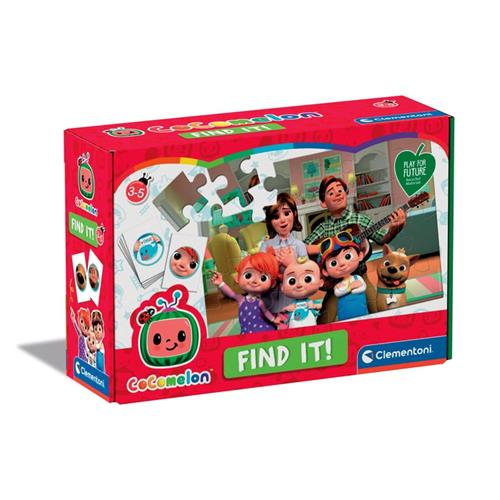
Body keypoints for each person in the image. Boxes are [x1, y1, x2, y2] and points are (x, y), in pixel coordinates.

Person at [304, 175, 406, 322]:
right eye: (331, 192)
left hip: (360, 276)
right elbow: (304, 247)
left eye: (340, 190)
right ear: (323, 203)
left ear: (346, 194)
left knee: (377, 310)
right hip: (335, 282)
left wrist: (394, 230)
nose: (337, 194)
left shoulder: (359, 220)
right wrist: (324, 248)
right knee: (324, 319)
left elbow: (382, 238)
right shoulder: (323, 228)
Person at [210, 249, 283, 334]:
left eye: (263, 278)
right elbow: (231, 293)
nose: (254, 281)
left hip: (260, 329)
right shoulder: (241, 299)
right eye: (248, 275)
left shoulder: (261, 302)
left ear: (272, 283)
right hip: (246, 330)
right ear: (237, 278)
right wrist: (220, 283)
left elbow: (266, 312)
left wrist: (274, 319)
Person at [261, 192, 308, 313]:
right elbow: (260, 275)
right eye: (276, 217)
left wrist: (292, 264)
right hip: (271, 303)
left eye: (287, 213)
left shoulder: (299, 246)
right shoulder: (266, 246)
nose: (282, 220)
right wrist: (271, 266)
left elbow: (308, 276)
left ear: (294, 214)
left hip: (295, 301)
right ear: (270, 221)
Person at [319, 234, 368, 321]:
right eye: (333, 263)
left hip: (361, 313)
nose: (342, 263)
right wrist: (350, 287)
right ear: (325, 272)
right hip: (344, 316)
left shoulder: (357, 278)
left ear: (360, 256)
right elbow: (338, 293)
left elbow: (362, 288)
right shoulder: (338, 284)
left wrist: (346, 289)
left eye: (347, 256)